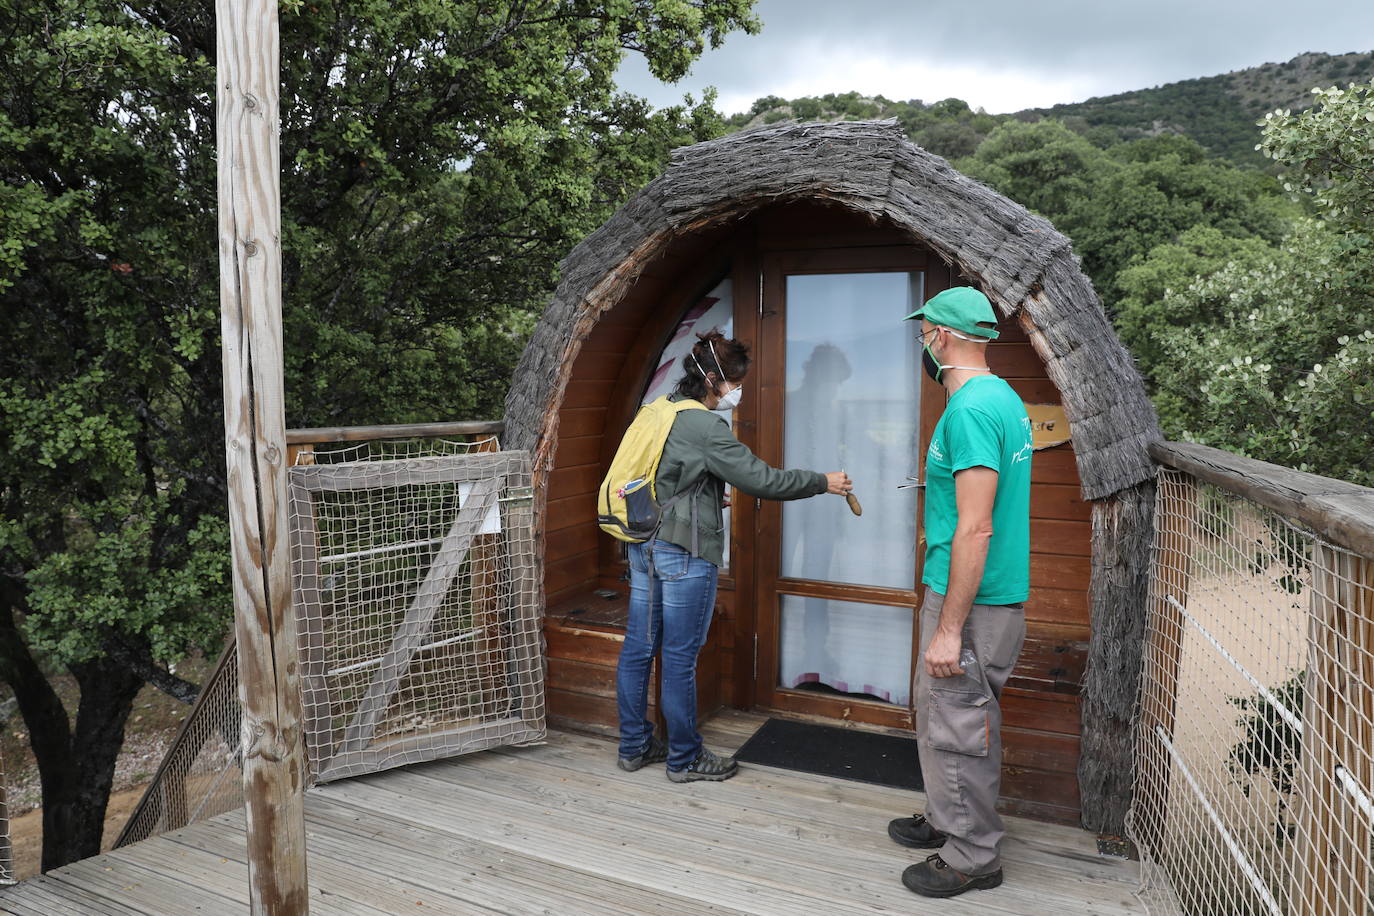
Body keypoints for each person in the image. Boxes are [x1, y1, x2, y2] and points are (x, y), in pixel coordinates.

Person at [615, 329, 852, 783]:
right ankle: (684, 759)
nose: (736, 392)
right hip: (684, 553)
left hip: (642, 545)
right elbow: (762, 480)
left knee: (639, 649)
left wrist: (708, 494)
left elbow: (665, 475)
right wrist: (823, 481)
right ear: (713, 380)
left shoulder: (660, 411)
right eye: (735, 383)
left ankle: (635, 745)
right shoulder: (706, 426)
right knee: (681, 657)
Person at [887, 287, 1033, 898]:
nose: (922, 342)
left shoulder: (971, 409)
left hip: (969, 605)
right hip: (980, 598)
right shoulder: (1002, 397)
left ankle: (973, 854)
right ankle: (949, 819)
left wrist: (949, 628)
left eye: (924, 333)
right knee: (946, 713)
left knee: (958, 722)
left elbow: (976, 526)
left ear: (940, 337)